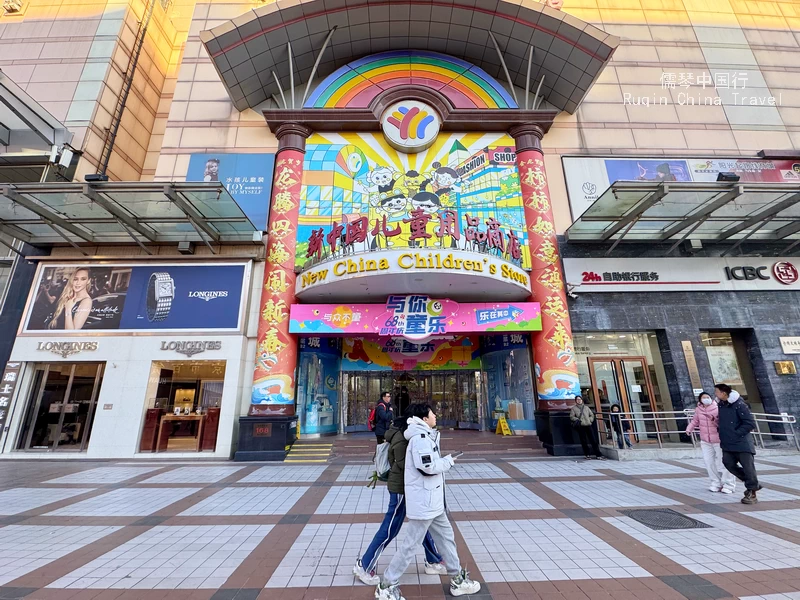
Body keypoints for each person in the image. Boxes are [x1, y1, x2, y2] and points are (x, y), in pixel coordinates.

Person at [376, 404, 480, 600]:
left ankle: (457, 578)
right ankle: (387, 584)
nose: (435, 416)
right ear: (424, 419)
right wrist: (448, 461)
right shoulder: (420, 439)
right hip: (425, 502)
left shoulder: (426, 436)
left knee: (447, 538)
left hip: (433, 502)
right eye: (432, 413)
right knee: (410, 545)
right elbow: (427, 467)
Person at [353, 407, 445, 586]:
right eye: (432, 413)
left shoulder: (403, 434)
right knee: (390, 528)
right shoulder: (404, 437)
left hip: (409, 487)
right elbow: (408, 464)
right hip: (402, 489)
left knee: (423, 522)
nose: (435, 416)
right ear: (420, 419)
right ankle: (364, 565)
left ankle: (433, 560)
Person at [715, 383, 761, 504]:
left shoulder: (739, 405)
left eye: (717, 392)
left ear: (724, 393)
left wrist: (736, 433)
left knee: (748, 468)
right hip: (727, 443)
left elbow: (750, 423)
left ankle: (752, 491)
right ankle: (753, 484)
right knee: (728, 463)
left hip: (742, 443)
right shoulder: (721, 405)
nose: (715, 394)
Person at [685, 391, 736, 494]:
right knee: (709, 463)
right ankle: (715, 483)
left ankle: (729, 484)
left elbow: (724, 422)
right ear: (700, 400)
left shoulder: (717, 408)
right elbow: (695, 420)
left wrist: (714, 420)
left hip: (719, 440)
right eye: (703, 397)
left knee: (724, 463)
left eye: (708, 397)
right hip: (705, 440)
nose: (706, 399)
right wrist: (689, 428)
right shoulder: (698, 410)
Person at [569, 395, 604, 460]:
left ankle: (598, 454)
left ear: (582, 400)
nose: (579, 401)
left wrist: (590, 420)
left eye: (580, 399)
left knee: (593, 440)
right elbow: (572, 416)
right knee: (583, 441)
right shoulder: (574, 408)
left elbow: (591, 415)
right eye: (577, 400)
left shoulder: (586, 408)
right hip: (581, 426)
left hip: (588, 425)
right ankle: (587, 454)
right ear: (575, 401)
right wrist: (577, 419)